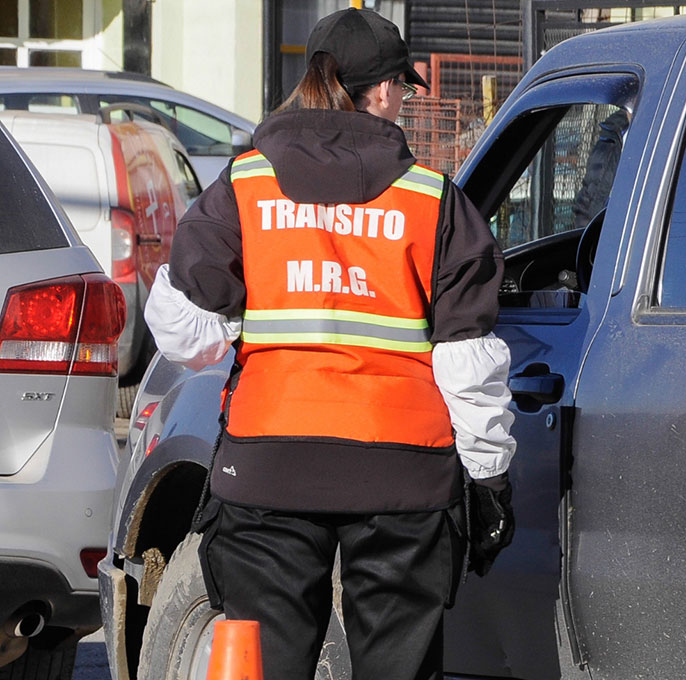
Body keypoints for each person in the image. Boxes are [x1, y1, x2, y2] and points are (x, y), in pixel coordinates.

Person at [143, 9, 516, 680]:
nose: (403, 99)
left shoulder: (245, 186)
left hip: (266, 469)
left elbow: (176, 325)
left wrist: (249, 319)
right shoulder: (433, 201)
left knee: (268, 665)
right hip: (403, 476)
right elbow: (468, 362)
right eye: (401, 85)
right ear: (376, 91)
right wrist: (487, 474)